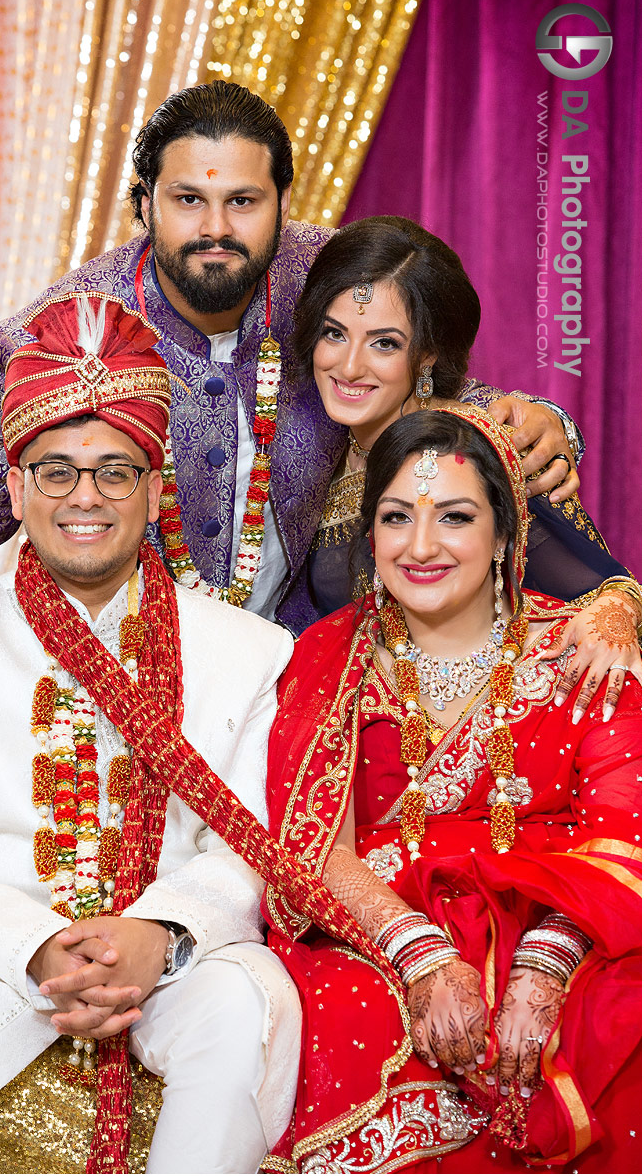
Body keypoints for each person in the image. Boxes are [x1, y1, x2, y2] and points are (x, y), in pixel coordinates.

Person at [0, 82, 580, 683]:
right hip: (132, 675)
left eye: (242, 201)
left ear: (282, 199)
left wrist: (539, 422)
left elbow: (424, 385)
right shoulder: (59, 335)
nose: (215, 228)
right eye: (187, 201)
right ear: (144, 204)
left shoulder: (330, 282)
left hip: (313, 670)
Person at [0, 292, 307, 1175]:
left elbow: (247, 843)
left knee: (244, 1010)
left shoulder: (247, 653)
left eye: (114, 472)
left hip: (163, 959)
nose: (84, 498)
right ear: (15, 487)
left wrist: (159, 936)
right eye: (56, 471)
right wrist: (33, 944)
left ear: (154, 486)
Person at [264, 407, 641, 1173]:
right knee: (344, 1016)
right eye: (396, 517)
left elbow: (624, 831)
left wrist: (544, 965)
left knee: (618, 1020)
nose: (421, 546)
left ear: (506, 534)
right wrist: (423, 957)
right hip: (378, 933)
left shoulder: (581, 646)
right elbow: (309, 847)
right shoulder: (326, 657)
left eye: (456, 518)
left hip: (572, 927)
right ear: (369, 534)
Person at [294, 215, 641, 707]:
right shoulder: (322, 448)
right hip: (368, 736)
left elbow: (605, 590)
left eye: (385, 343)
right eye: (334, 334)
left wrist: (614, 613)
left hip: (489, 728)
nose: (348, 366)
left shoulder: (479, 448)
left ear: (428, 354)